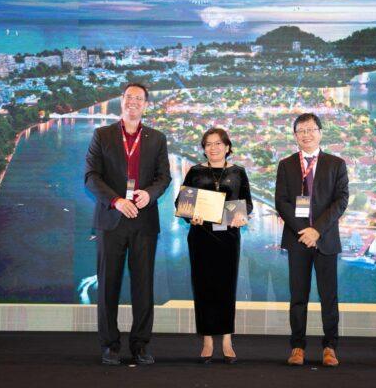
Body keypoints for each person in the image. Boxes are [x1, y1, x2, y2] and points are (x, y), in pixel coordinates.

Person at [85, 83, 171, 366]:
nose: (133, 102)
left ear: (145, 104)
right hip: (112, 220)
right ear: (121, 101)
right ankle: (110, 346)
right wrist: (116, 200)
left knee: (143, 287)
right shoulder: (102, 135)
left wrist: (150, 194)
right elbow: (91, 177)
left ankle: (140, 345)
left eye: (139, 99)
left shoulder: (157, 138)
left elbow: (164, 177)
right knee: (108, 285)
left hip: (144, 222)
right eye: (129, 97)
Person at [275, 113, 349, 367]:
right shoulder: (286, 165)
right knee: (298, 297)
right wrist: (304, 232)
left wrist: (316, 230)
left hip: (325, 239)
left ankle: (330, 347)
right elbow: (281, 202)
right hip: (297, 240)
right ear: (295, 136)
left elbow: (341, 201)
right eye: (301, 131)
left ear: (320, 132)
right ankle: (297, 347)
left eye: (310, 129)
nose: (306, 135)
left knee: (329, 297)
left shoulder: (336, 163)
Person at [176, 128, 253, 364]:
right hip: (201, 237)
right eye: (208, 144)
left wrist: (241, 215)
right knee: (203, 287)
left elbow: (248, 203)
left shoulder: (238, 172)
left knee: (227, 287)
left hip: (228, 237)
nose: (213, 148)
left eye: (218, 143)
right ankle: (207, 340)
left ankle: (227, 340)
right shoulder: (195, 171)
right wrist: (190, 216)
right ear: (204, 148)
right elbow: (182, 203)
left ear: (227, 147)